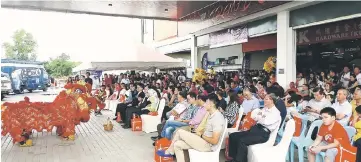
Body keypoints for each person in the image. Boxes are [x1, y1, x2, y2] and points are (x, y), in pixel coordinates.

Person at [156, 93, 225, 162]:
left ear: (212, 104)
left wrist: (200, 135)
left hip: (208, 145)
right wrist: (199, 133)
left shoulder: (217, 118)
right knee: (177, 144)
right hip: (203, 140)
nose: (204, 104)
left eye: (206, 102)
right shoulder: (211, 114)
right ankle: (170, 152)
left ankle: (169, 152)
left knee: (179, 132)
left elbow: (214, 141)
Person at [227, 94, 281, 162]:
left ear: (272, 101)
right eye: (264, 98)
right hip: (255, 129)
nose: (264, 100)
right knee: (233, 136)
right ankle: (233, 158)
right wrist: (262, 117)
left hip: (263, 133)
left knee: (242, 140)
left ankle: (239, 160)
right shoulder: (265, 109)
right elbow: (255, 117)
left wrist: (261, 117)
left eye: (266, 99)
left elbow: (265, 122)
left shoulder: (276, 112)